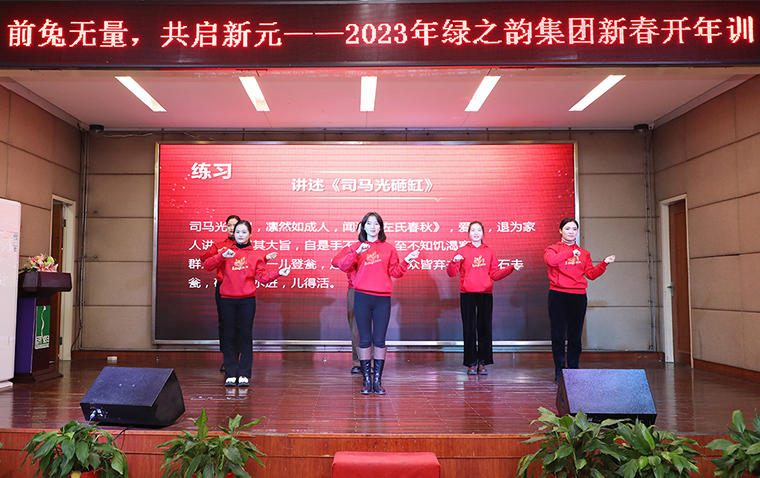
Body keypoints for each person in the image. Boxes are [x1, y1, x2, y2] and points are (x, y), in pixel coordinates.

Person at [336, 212, 419, 395]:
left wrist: (407, 261)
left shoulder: (389, 248)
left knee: (380, 340)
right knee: (365, 339)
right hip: (362, 297)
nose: (373, 227)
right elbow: (342, 266)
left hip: (382, 298)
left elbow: (395, 272)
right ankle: (366, 380)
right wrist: (356, 252)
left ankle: (377, 381)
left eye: (376, 224)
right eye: (369, 224)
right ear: (363, 227)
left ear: (381, 227)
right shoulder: (356, 247)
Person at [203, 220, 290, 387]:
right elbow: (207, 266)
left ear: (250, 234)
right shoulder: (226, 252)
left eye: (244, 232)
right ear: (233, 234)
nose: (240, 235)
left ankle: (244, 373)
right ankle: (230, 373)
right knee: (228, 335)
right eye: (237, 232)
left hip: (247, 300)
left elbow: (262, 278)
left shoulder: (256, 255)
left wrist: (278, 273)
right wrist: (222, 256)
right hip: (227, 299)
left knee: (245, 335)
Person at [447, 221, 523, 375]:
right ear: (468, 233)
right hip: (467, 294)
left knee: (485, 328)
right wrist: (454, 261)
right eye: (473, 230)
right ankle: (471, 363)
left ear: (483, 233)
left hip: (485, 294)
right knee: (469, 329)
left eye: (479, 230)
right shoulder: (462, 251)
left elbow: (495, 274)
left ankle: (482, 362)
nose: (476, 233)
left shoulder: (490, 252)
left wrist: (511, 268)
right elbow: (451, 273)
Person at [544, 217, 615, 382]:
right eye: (567, 228)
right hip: (558, 295)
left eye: (574, 229)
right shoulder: (552, 249)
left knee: (575, 336)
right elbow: (550, 261)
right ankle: (560, 370)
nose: (571, 232)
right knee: (558, 335)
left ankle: (573, 370)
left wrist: (604, 263)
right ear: (560, 231)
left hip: (578, 296)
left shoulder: (584, 253)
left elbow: (591, 274)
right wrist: (570, 253)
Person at [332, 233, 361, 374]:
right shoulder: (351, 248)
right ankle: (358, 362)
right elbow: (336, 262)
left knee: (374, 328)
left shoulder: (379, 249)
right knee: (356, 328)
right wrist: (354, 255)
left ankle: (372, 362)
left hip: (374, 291)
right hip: (355, 290)